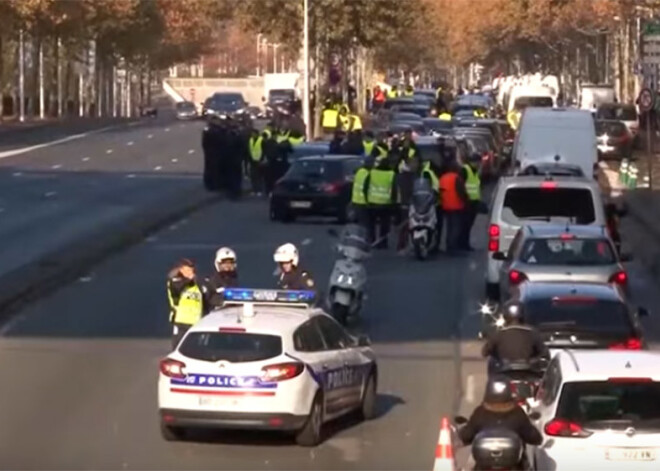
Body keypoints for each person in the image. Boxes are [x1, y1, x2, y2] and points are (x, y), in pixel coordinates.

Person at [457, 378, 543, 450]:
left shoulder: (480, 412)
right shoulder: (518, 413)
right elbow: (534, 437)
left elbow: (467, 435)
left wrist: (462, 433)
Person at [482, 302, 549, 368]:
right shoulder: (532, 332)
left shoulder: (499, 333)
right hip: (528, 374)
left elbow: (485, 352)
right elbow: (544, 353)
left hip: (504, 374)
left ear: (505, 316)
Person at [167, 259, 204, 349]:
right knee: (178, 347)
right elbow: (177, 288)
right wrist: (188, 280)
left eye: (191, 270)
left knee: (194, 349)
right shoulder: (175, 281)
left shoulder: (196, 283)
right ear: (181, 270)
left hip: (195, 322)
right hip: (181, 321)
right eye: (187, 270)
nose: (190, 273)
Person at [365, 157, 397, 249]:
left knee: (372, 224)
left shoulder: (372, 172)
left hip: (372, 202)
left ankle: (372, 240)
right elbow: (393, 190)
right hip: (385, 204)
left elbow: (366, 186)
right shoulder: (391, 174)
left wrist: (367, 199)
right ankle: (382, 242)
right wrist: (393, 202)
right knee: (384, 225)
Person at [439, 159, 468, 254]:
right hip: (456, 205)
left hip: (445, 205)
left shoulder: (443, 178)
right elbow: (461, 192)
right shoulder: (457, 178)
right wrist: (465, 201)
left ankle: (448, 244)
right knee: (456, 227)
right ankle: (452, 246)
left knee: (449, 226)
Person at [460, 152, 483, 251]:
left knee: (469, 224)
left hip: (474, 202)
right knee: (465, 224)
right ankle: (463, 244)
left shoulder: (475, 172)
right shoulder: (465, 170)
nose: (479, 165)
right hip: (467, 202)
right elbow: (460, 185)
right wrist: (465, 198)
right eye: (477, 162)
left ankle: (465, 243)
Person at [351, 155, 373, 227]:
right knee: (366, 224)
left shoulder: (359, 172)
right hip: (364, 202)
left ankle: (360, 237)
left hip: (356, 201)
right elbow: (366, 188)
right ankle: (366, 237)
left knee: (361, 224)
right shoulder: (368, 173)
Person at [248, 128, 265, 195]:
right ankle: (254, 189)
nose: (253, 135)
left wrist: (262, 159)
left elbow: (264, 150)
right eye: (252, 134)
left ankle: (259, 190)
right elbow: (249, 150)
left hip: (259, 160)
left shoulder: (261, 140)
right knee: (253, 176)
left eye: (254, 134)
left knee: (259, 176)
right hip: (252, 160)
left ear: (257, 134)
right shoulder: (250, 140)